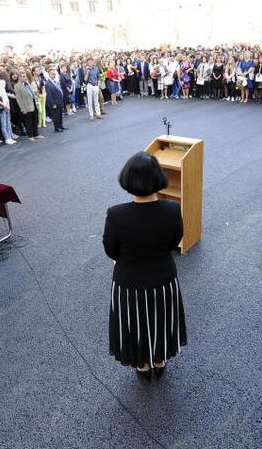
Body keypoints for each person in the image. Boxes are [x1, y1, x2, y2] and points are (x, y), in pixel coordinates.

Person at [103, 152, 186, 379]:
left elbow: (111, 250)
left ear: (128, 180)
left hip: (128, 284)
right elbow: (174, 242)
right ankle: (159, 360)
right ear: (158, 177)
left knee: (134, 325)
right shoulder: (172, 209)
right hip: (163, 280)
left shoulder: (116, 214)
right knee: (161, 320)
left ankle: (142, 364)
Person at [44, 66, 66, 132]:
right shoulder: (47, 84)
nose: (54, 75)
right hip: (54, 102)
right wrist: (53, 104)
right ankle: (57, 128)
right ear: (49, 74)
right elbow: (49, 95)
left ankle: (61, 126)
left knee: (60, 115)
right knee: (55, 116)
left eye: (54, 74)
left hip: (59, 101)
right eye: (52, 74)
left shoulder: (55, 81)